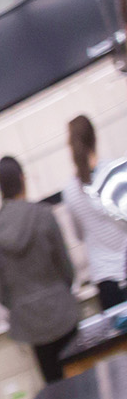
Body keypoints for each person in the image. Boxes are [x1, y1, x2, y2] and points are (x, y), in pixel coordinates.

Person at [0, 156, 80, 383]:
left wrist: (21, 305)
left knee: (56, 394)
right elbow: (67, 268)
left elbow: (0, 289)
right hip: (62, 312)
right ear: (22, 179)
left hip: (31, 324)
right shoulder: (44, 215)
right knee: (84, 383)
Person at [60, 116, 126, 311]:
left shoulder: (70, 190)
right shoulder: (116, 172)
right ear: (94, 138)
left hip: (105, 278)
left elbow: (78, 235)